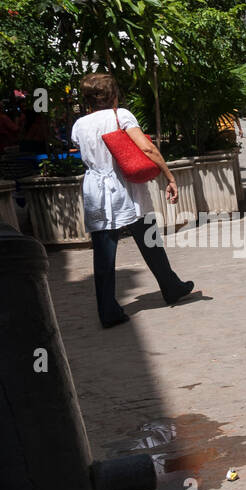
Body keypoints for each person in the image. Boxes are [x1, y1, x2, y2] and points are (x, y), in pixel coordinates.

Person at [71, 72, 194, 329]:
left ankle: (108, 310)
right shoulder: (121, 116)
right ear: (113, 94)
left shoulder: (79, 125)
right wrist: (169, 176)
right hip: (127, 187)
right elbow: (147, 148)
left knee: (104, 253)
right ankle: (171, 287)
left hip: (96, 190)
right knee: (150, 240)